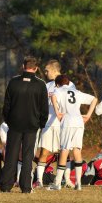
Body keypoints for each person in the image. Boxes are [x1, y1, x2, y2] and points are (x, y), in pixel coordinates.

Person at [0, 56, 49, 193]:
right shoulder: (40, 84)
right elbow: (44, 107)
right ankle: (26, 186)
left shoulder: (14, 82)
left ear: (23, 66)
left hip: (14, 124)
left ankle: (5, 185)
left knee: (11, 155)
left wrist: (8, 120)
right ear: (36, 68)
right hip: (32, 126)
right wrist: (41, 123)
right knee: (28, 157)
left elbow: (7, 105)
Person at [47, 74, 97, 191]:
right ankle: (78, 184)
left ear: (57, 84)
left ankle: (57, 183)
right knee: (77, 151)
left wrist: (58, 112)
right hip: (79, 121)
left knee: (64, 150)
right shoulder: (76, 91)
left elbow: (53, 97)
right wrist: (88, 115)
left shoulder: (58, 91)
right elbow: (94, 99)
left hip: (68, 121)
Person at [35, 59, 75, 188]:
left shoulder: (69, 84)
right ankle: (39, 180)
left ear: (54, 70)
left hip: (63, 124)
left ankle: (67, 180)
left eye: (47, 70)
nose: (45, 73)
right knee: (44, 152)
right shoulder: (47, 85)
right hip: (48, 124)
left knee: (64, 153)